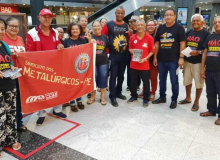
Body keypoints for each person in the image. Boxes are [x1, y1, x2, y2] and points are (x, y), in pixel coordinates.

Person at [26, 8, 67, 126]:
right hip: (41, 69)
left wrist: (60, 45)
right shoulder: (31, 33)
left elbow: (58, 44)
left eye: (49, 17)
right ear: (39, 17)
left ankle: (57, 110)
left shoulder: (55, 32)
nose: (47, 19)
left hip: (55, 67)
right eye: (45, 16)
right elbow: (29, 52)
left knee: (57, 89)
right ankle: (42, 114)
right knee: (42, 92)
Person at [152, 8, 186, 109]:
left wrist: (181, 57)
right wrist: (155, 57)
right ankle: (162, 97)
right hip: (161, 60)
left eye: (171, 15)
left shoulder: (179, 28)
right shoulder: (161, 28)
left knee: (174, 80)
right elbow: (157, 43)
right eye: (166, 15)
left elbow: (182, 43)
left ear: (175, 16)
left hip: (174, 60)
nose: (168, 17)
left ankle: (174, 99)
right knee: (161, 79)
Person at [178, 14, 210, 111]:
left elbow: (208, 49)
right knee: (187, 81)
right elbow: (183, 45)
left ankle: (196, 102)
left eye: (197, 21)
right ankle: (188, 98)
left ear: (202, 22)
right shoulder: (188, 32)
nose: (195, 22)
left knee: (199, 83)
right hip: (188, 61)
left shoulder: (206, 34)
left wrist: (199, 52)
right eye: (193, 21)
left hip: (199, 63)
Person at [102, 6, 132, 107]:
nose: (120, 15)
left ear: (124, 14)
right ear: (115, 13)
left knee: (121, 75)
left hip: (124, 55)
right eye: (118, 13)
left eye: (122, 13)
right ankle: (112, 96)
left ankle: (118, 92)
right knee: (113, 75)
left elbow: (128, 38)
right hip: (113, 55)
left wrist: (131, 35)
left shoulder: (126, 25)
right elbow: (102, 37)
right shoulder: (109, 24)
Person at [0, 18, 21, 158]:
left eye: (2, 29)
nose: (0, 31)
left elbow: (10, 60)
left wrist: (12, 66)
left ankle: (11, 139)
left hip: (9, 84)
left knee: (11, 114)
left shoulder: (4, 45)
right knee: (0, 117)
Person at [2, 17, 27, 132]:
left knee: (18, 100)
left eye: (16, 26)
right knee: (6, 102)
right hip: (5, 76)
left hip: (18, 74)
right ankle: (6, 125)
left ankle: (18, 122)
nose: (14, 28)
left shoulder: (21, 39)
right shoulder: (3, 39)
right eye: (11, 26)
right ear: (6, 27)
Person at [63, 22, 91, 111]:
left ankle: (79, 100)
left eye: (77, 29)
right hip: (70, 67)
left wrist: (90, 40)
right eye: (73, 29)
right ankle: (72, 103)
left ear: (80, 31)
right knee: (71, 85)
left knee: (79, 84)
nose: (75, 30)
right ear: (70, 31)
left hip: (80, 68)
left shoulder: (83, 40)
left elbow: (89, 49)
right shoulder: (66, 41)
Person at [127, 19, 155, 107]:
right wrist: (134, 52)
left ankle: (146, 98)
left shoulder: (149, 38)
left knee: (146, 82)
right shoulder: (132, 37)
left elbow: (152, 51)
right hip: (134, 64)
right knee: (133, 82)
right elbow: (130, 49)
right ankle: (133, 95)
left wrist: (145, 59)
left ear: (144, 26)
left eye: (141, 25)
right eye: (138, 25)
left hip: (144, 64)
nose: (139, 27)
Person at [200, 16, 220, 125]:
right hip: (209, 70)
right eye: (215, 22)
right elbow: (204, 53)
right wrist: (203, 68)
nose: (217, 24)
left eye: (219, 22)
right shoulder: (210, 37)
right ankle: (211, 110)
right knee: (210, 92)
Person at [87, 21, 109, 105]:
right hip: (92, 62)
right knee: (94, 78)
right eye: (94, 26)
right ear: (92, 27)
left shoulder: (105, 37)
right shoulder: (90, 36)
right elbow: (86, 49)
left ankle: (102, 97)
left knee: (103, 77)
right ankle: (93, 96)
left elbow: (107, 49)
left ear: (101, 27)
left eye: (98, 25)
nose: (96, 27)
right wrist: (89, 41)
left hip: (103, 61)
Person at [139, 20, 158, 101]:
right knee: (145, 77)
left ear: (155, 26)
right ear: (146, 26)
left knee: (153, 77)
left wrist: (155, 58)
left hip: (154, 59)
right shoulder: (143, 35)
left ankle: (152, 92)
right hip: (144, 59)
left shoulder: (157, 35)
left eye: (152, 25)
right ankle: (145, 91)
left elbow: (157, 47)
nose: (150, 27)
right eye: (149, 25)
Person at [127, 15, 141, 92]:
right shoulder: (129, 30)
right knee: (129, 69)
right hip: (129, 53)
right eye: (130, 22)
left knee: (138, 69)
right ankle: (130, 85)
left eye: (132, 22)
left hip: (138, 52)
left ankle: (137, 84)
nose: (130, 23)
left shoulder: (140, 30)